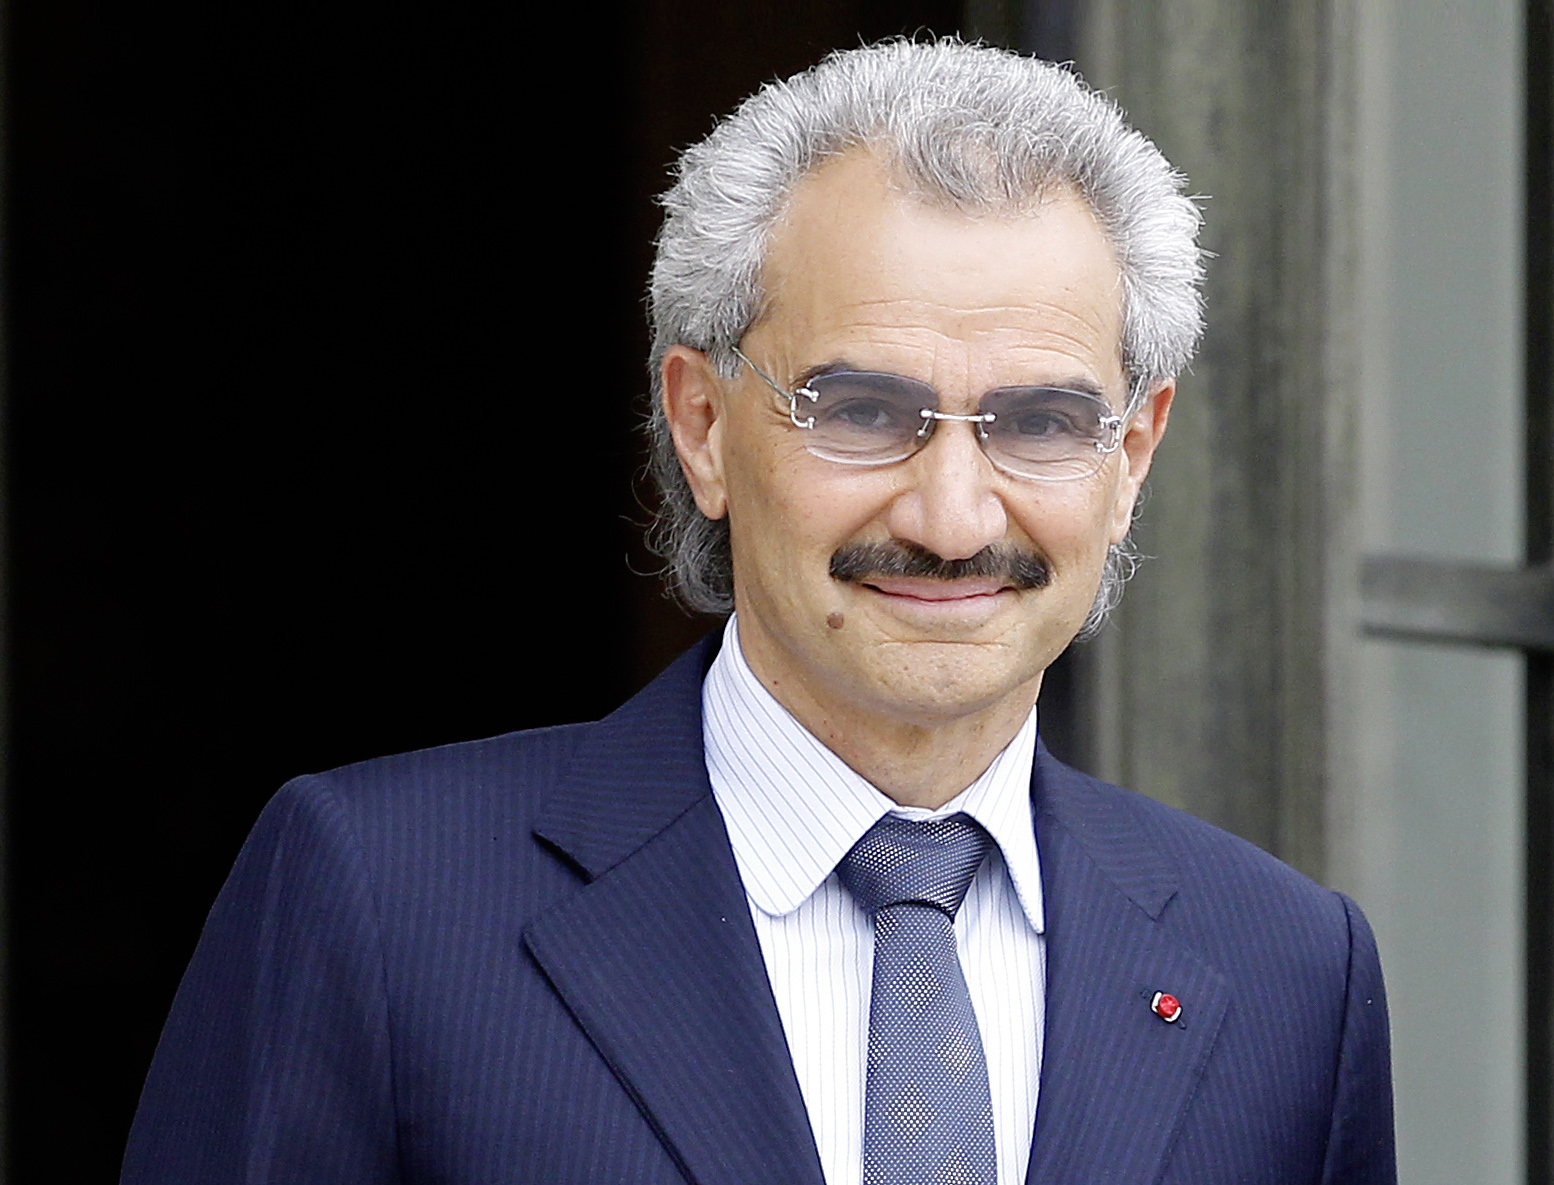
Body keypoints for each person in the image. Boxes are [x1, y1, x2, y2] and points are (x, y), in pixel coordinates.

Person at [123, 38, 1395, 1184]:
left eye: (1043, 423)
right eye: (863, 411)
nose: (954, 519)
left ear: (1132, 458)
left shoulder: (1291, 974)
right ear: (701, 426)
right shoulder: (382, 900)